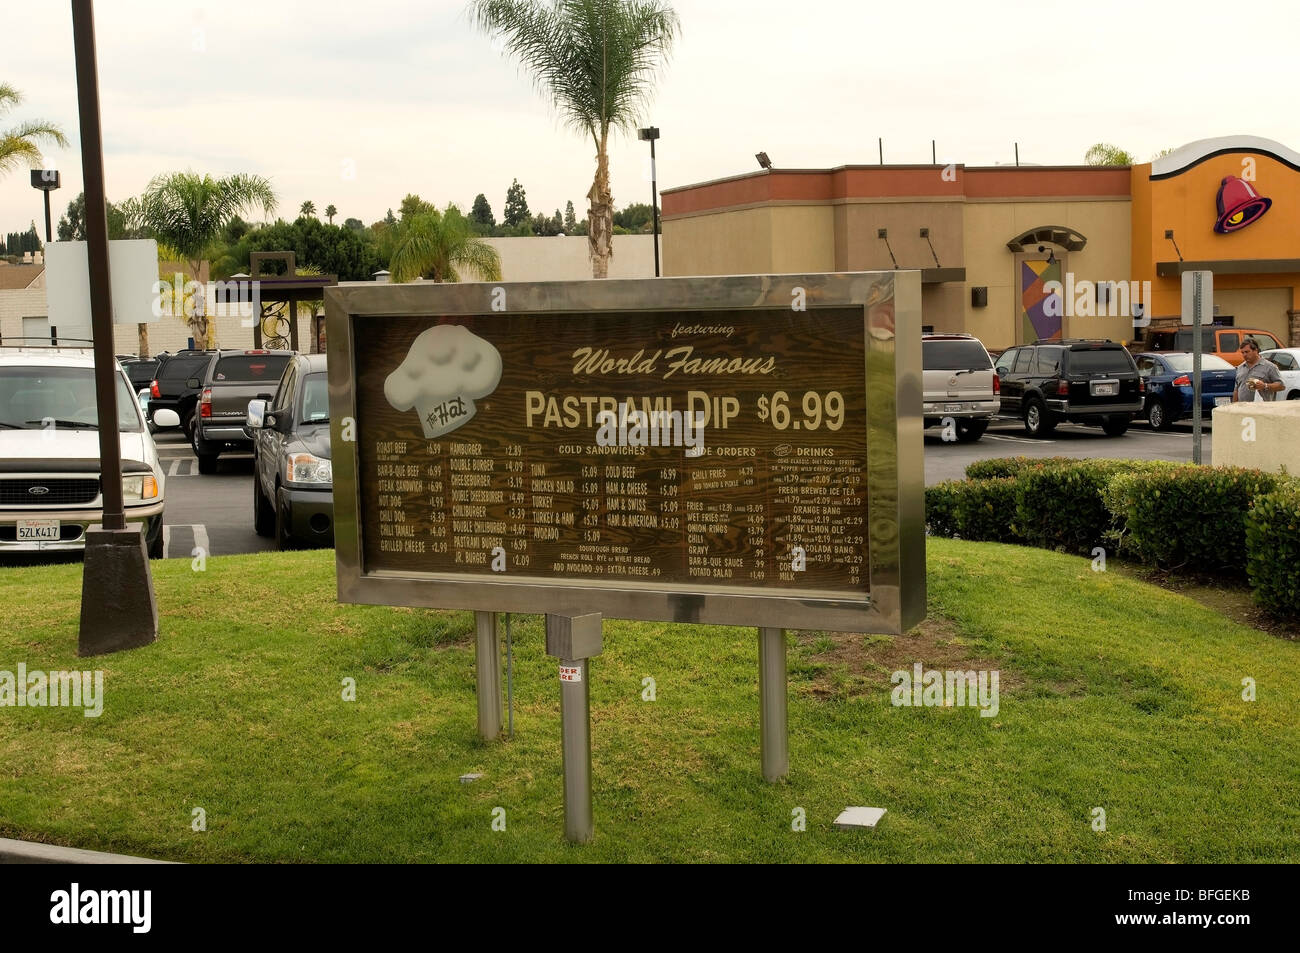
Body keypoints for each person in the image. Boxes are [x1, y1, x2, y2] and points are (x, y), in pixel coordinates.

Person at [1232, 338, 1284, 402]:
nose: (1244, 355)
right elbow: (1236, 390)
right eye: (1242, 352)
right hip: (1243, 408)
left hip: (1262, 409)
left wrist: (1265, 386)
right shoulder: (1240, 368)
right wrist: (1234, 405)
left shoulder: (1270, 367)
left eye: (1247, 352)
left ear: (1255, 350)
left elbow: (1281, 386)